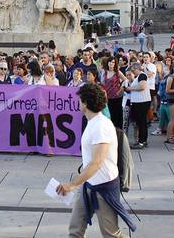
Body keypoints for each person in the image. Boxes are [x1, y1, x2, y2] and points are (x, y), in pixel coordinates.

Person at [56, 83, 134, 238]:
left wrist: (72, 185)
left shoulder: (101, 126)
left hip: (104, 189)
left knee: (111, 234)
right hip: (88, 185)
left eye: (79, 100)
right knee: (75, 230)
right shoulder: (92, 122)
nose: (78, 103)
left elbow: (96, 163)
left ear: (85, 103)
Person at [124, 63, 151, 149]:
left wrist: (130, 88)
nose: (132, 72)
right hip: (138, 102)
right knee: (141, 122)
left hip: (142, 102)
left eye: (133, 70)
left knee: (141, 122)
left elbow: (142, 86)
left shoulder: (142, 75)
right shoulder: (138, 77)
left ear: (137, 69)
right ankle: (143, 140)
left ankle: (141, 142)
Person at [101, 57, 125, 128]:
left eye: (113, 62)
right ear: (107, 63)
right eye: (110, 62)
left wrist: (121, 89)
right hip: (108, 97)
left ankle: (118, 133)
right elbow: (102, 83)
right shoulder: (104, 72)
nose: (111, 63)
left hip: (117, 97)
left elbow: (126, 80)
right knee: (109, 115)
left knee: (117, 116)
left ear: (115, 64)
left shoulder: (117, 72)